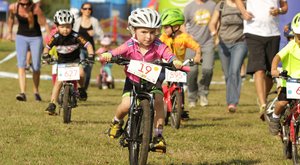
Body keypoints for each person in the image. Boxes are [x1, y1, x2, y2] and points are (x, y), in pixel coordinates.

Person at [100, 8, 182, 151]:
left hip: (153, 82)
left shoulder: (158, 45)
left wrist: (174, 60)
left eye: (152, 32)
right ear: (134, 30)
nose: (148, 36)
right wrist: (109, 55)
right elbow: (116, 52)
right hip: (133, 82)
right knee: (126, 105)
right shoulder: (130, 44)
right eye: (143, 32)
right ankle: (116, 122)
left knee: (158, 103)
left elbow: (168, 54)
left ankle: (158, 136)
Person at [235, 0, 288, 120]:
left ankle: (263, 96)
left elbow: (285, 7)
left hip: (273, 33)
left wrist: (278, 10)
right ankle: (263, 104)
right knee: (259, 69)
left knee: (271, 72)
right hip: (253, 31)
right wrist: (243, 11)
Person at [42, 9, 94, 115]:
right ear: (57, 26)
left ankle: (81, 88)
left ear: (72, 26)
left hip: (75, 61)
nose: (65, 30)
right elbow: (47, 47)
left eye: (68, 26)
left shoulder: (76, 36)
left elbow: (88, 45)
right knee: (58, 82)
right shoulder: (55, 37)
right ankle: (52, 104)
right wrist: (46, 55)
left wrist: (91, 55)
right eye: (62, 27)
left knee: (81, 73)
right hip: (62, 62)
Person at [159, 8, 202, 119]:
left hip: (179, 66)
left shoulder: (184, 38)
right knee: (160, 85)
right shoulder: (163, 37)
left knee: (180, 87)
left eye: (166, 27)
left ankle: (180, 107)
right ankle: (158, 106)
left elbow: (196, 47)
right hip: (165, 65)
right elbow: (157, 47)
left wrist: (197, 56)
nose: (164, 29)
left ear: (176, 27)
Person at [209, 0, 248, 113]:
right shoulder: (221, 5)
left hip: (240, 42)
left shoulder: (244, 4)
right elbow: (212, 23)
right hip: (223, 44)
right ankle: (231, 97)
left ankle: (232, 102)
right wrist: (214, 35)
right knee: (227, 74)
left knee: (234, 71)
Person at [6, 0, 49, 101]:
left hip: (36, 38)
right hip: (21, 37)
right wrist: (9, 32)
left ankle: (36, 92)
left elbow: (44, 23)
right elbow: (11, 18)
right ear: (19, 2)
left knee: (36, 66)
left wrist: (50, 37)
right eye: (22, 4)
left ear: (30, 3)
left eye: (27, 4)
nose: (25, 6)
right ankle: (22, 93)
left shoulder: (36, 8)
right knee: (21, 65)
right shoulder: (13, 7)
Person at [269, 13, 300, 135]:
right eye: (298, 35)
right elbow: (278, 56)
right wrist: (274, 68)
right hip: (290, 81)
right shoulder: (291, 45)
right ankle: (275, 117)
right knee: (283, 102)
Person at [183, 0, 216, 108]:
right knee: (192, 72)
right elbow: (182, 24)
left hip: (208, 43)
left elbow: (217, 20)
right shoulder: (189, 7)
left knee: (208, 70)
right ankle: (192, 97)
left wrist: (216, 34)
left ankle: (203, 93)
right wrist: (187, 36)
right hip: (192, 45)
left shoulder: (212, 5)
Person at [73, 2, 104, 98]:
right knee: (81, 69)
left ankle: (83, 91)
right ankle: (78, 89)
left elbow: (101, 35)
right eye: (85, 8)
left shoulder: (94, 21)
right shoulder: (77, 21)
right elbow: (72, 34)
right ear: (81, 10)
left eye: (89, 9)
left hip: (91, 50)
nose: (87, 10)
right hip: (79, 49)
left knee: (88, 72)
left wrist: (94, 34)